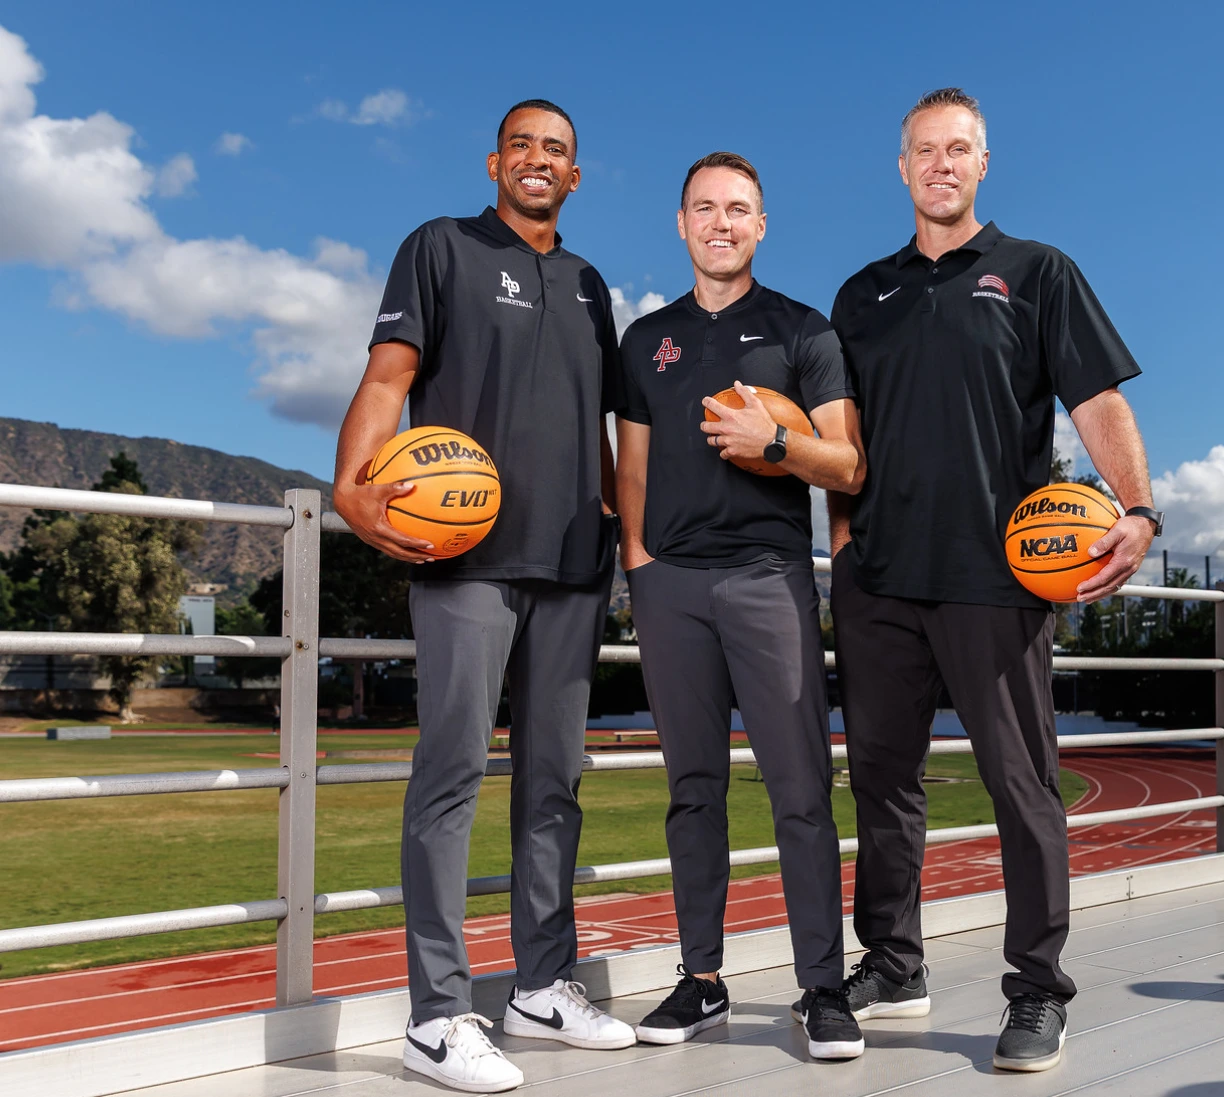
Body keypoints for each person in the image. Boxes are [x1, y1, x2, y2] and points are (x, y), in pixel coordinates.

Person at [827, 88, 1162, 1073]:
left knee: (1020, 787)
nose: (940, 164)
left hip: (994, 577)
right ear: (900, 168)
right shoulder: (860, 295)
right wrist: (844, 549)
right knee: (882, 784)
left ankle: (1037, 990)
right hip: (878, 580)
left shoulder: (1036, 272)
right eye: (923, 150)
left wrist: (1134, 506)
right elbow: (841, 445)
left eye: (957, 149)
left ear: (982, 164)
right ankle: (891, 965)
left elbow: (1094, 399)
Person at [333, 99, 634, 1093]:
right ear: (495, 159)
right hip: (465, 559)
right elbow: (388, 377)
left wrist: (614, 532)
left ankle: (542, 981)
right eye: (523, 145)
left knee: (554, 779)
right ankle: (436, 1010)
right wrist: (349, 480)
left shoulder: (590, 285)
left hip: (572, 560)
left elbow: (595, 426)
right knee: (453, 769)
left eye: (557, 150)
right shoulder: (439, 249)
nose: (538, 160)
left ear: (574, 175)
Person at [615, 152, 869, 1060]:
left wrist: (777, 441)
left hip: (768, 579)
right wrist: (639, 565)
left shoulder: (802, 331)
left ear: (762, 226)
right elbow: (630, 466)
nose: (721, 223)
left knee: (801, 791)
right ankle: (702, 979)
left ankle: (822, 988)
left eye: (739, 210)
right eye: (704, 209)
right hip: (669, 587)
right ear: (680, 223)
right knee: (693, 792)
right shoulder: (644, 340)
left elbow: (846, 465)